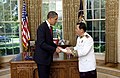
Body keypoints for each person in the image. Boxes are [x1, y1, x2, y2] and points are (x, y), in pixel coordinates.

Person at [33, 11, 61, 78]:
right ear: (50, 18)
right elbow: (42, 44)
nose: (56, 21)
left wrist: (57, 47)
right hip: (42, 59)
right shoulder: (42, 27)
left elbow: (50, 42)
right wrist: (55, 49)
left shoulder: (49, 27)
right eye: (55, 19)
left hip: (47, 58)